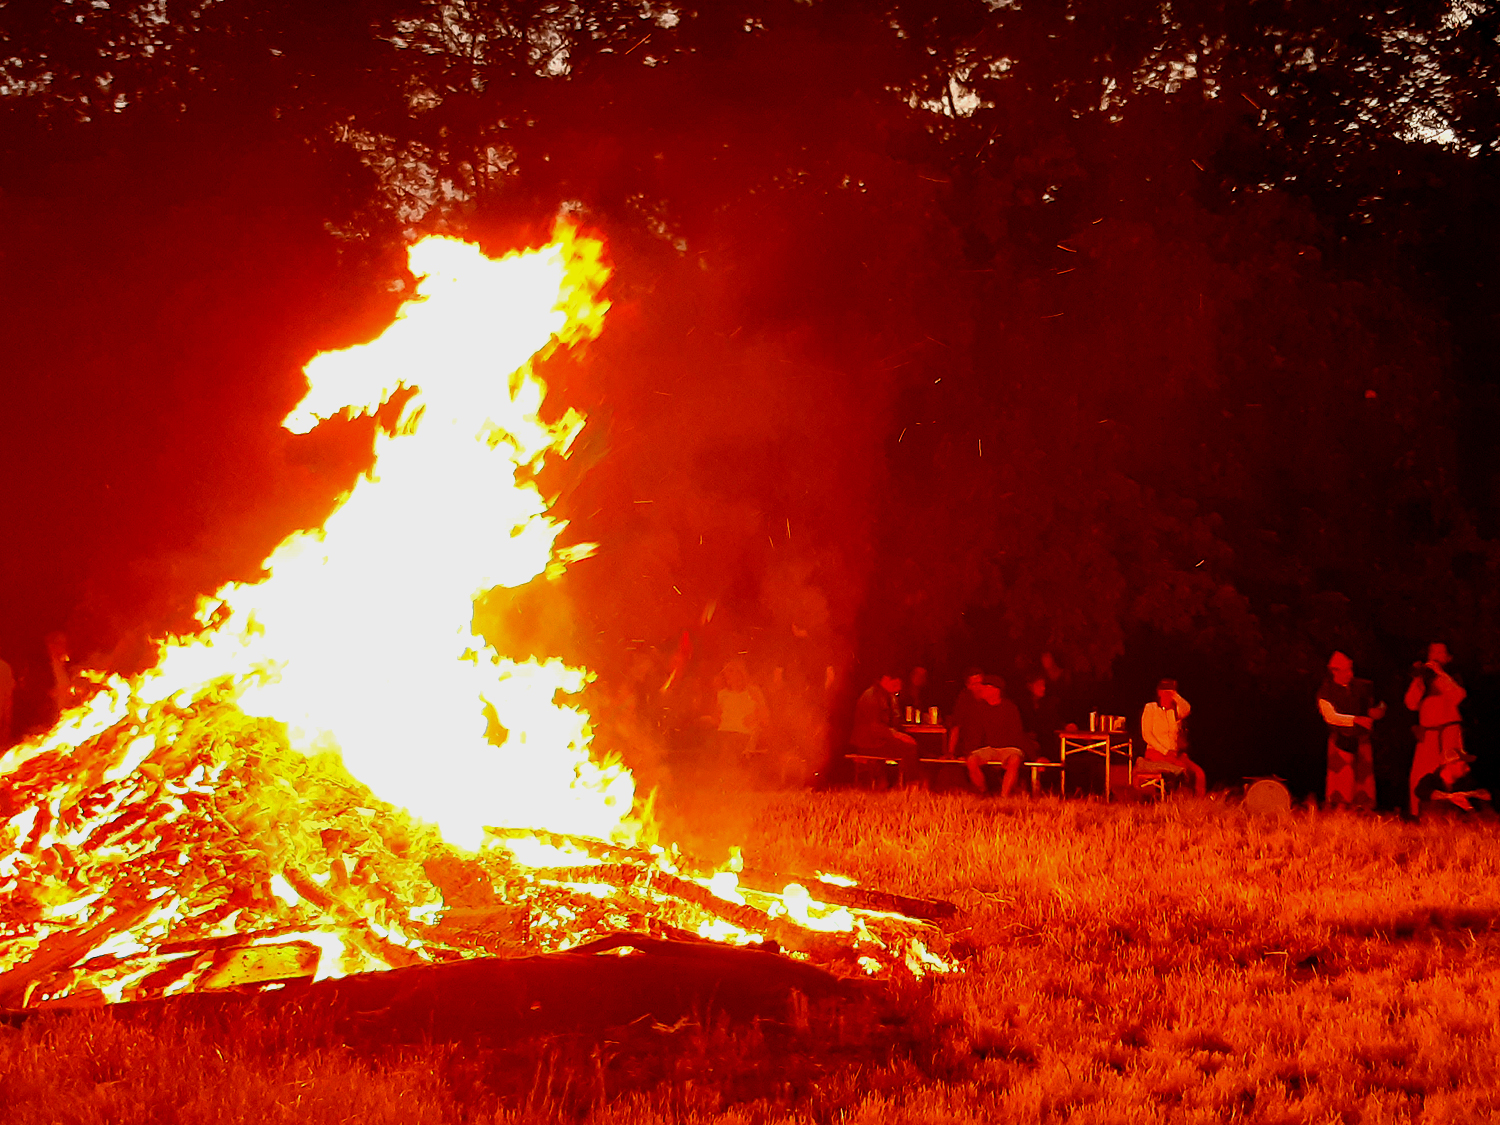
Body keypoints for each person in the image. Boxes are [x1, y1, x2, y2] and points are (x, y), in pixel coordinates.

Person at [1404, 647, 1487, 815]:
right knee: (1420, 775)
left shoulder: (1452, 677)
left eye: (1440, 652)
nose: (1434, 656)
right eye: (1432, 652)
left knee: (1454, 773)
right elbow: (1411, 704)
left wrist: (1440, 674)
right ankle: (1418, 813)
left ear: (1449, 657)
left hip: (1449, 732)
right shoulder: (1424, 679)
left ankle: (1461, 811)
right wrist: (1419, 680)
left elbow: (1458, 696)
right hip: (1428, 734)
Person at [1316, 652, 1384, 809]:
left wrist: (1379, 711)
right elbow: (1331, 717)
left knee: (1364, 779)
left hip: (1362, 740)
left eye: (1350, 669)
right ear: (1334, 671)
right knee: (1342, 779)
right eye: (1345, 670)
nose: (1350, 674)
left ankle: (1364, 810)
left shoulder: (1363, 686)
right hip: (1341, 739)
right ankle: (1340, 810)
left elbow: (1381, 704)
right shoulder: (1326, 691)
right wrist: (1355, 719)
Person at [949, 672, 1035, 796]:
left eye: (985, 686)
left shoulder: (1010, 708)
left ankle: (1004, 796)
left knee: (1015, 760)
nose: (981, 689)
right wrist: (966, 753)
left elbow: (1019, 734)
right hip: (989, 749)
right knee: (972, 761)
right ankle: (983, 792)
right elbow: (975, 734)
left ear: (995, 690)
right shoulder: (979, 709)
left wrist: (1034, 757)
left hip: (1008, 748)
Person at [1137, 679, 1205, 797]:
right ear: (1159, 693)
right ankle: (1180, 799)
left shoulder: (1174, 710)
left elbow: (1187, 709)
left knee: (1199, 773)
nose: (1167, 696)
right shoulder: (1151, 708)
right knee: (1182, 771)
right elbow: (1147, 735)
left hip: (1175, 754)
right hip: (1156, 752)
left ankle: (1199, 802)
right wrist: (1165, 751)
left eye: (1170, 693)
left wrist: (1175, 696)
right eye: (1165, 693)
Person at [850, 669, 919, 782]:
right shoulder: (871, 696)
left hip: (878, 740)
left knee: (911, 745)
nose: (898, 688)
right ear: (886, 679)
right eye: (895, 684)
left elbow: (895, 720)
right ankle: (911, 783)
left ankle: (903, 782)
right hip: (869, 744)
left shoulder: (889, 697)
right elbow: (875, 727)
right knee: (909, 749)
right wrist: (897, 735)